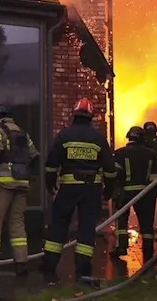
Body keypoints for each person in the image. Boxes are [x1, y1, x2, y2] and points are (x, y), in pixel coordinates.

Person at [40, 98, 118, 287]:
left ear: (74, 114)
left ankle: (50, 266)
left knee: (59, 225)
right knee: (87, 228)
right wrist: (109, 189)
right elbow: (110, 168)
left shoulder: (64, 136)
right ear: (90, 116)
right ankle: (83, 270)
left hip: (68, 188)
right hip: (91, 190)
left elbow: (51, 165)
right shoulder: (98, 139)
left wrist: (50, 185)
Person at [0, 102, 40, 277]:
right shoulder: (22, 133)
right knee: (17, 224)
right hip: (21, 185)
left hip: (0, 186)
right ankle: (21, 263)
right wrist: (31, 180)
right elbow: (35, 157)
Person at [111, 126, 157, 263]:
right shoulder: (151, 154)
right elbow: (155, 176)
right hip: (145, 194)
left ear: (129, 137)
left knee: (121, 220)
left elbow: (115, 174)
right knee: (147, 223)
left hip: (125, 192)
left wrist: (114, 189)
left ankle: (121, 247)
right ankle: (148, 250)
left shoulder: (119, 153)